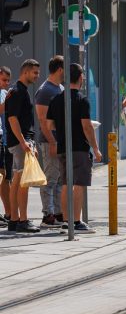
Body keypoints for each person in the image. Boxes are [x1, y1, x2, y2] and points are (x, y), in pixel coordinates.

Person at [46, 63, 102, 233]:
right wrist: (96, 148)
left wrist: (64, 128)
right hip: (79, 148)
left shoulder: (55, 99)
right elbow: (86, 127)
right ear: (80, 77)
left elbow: (49, 125)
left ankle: (66, 221)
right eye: (83, 75)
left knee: (65, 183)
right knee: (78, 183)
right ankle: (76, 222)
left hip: (63, 146)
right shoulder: (81, 99)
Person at [5, 59, 41, 234]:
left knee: (17, 181)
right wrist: (24, 141)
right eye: (34, 72)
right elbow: (12, 119)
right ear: (25, 72)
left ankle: (14, 220)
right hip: (20, 143)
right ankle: (23, 220)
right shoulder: (18, 91)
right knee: (22, 182)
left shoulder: (17, 91)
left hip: (19, 142)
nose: (37, 76)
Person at [34, 55, 64, 227]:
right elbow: (42, 120)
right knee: (50, 179)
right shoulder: (45, 90)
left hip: (58, 140)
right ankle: (47, 216)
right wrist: (52, 142)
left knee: (59, 179)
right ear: (60, 69)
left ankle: (59, 212)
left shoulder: (58, 87)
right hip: (49, 141)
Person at [0, 65, 12, 226]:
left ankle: (9, 212)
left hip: (3, 138)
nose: (6, 83)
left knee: (4, 176)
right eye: (4, 80)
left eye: (8, 80)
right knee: (2, 175)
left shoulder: (3, 92)